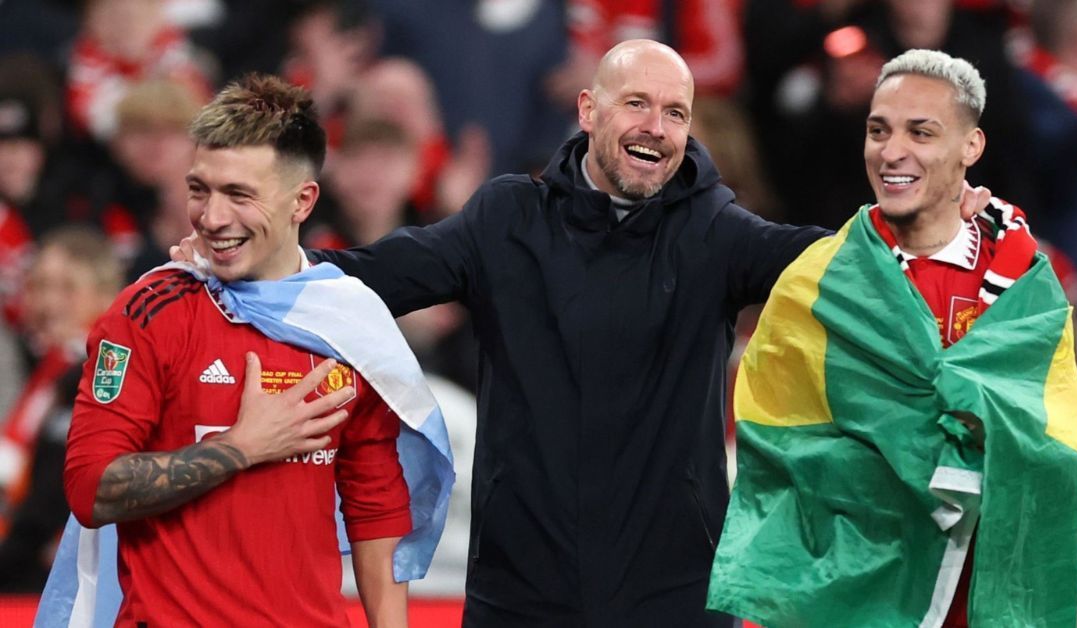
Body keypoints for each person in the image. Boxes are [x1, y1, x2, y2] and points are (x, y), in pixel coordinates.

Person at [265, 39, 988, 625]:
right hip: (521, 597)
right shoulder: (505, 220)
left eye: (676, 112)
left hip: (676, 599)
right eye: (637, 103)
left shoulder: (716, 232)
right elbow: (371, 276)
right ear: (588, 109)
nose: (657, 126)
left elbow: (840, 265)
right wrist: (254, 260)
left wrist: (944, 236)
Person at [707, 49, 1077, 627]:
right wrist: (936, 445)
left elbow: (1054, 441)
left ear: (971, 148)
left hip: (976, 597)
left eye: (921, 132)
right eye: (878, 130)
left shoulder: (1022, 284)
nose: (892, 152)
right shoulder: (819, 280)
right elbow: (781, 439)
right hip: (848, 595)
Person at [55, 74, 419, 626]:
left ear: (303, 200)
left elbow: (376, 510)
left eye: (240, 195)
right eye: (200, 189)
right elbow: (89, 488)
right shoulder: (147, 314)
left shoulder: (350, 325)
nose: (211, 218)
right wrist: (242, 447)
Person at [0, 227, 122, 592]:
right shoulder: (46, 370)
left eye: (67, 288)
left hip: (58, 574)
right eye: (39, 286)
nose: (48, 303)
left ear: (105, 294)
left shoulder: (99, 374)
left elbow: (56, 497)